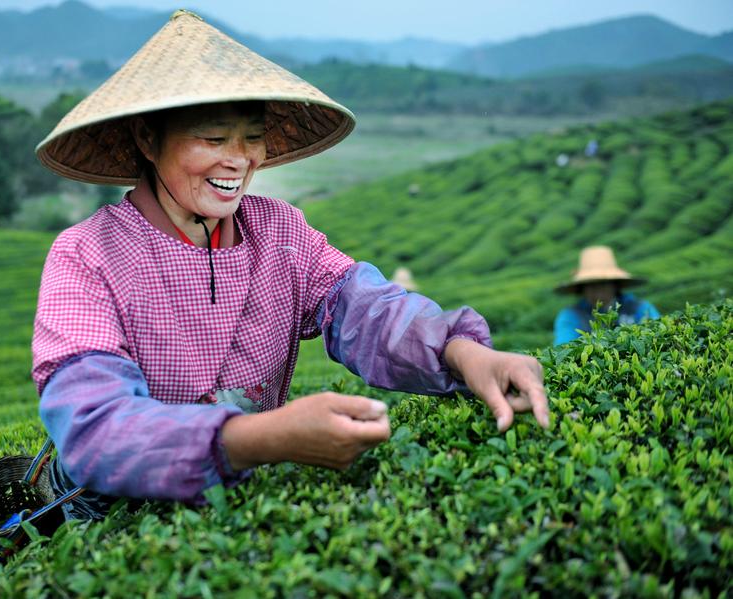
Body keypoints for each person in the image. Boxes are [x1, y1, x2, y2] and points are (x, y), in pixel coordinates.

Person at [33, 10, 550, 520]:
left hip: (239, 506)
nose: (238, 160)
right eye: (213, 138)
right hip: (114, 522)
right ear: (148, 139)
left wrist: (464, 353)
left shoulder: (280, 233)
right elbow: (93, 428)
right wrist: (264, 438)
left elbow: (365, 309)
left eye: (252, 136)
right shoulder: (88, 255)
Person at [553, 246, 660, 345]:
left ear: (614, 285)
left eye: (603, 284)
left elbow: (658, 335)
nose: (597, 291)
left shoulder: (640, 308)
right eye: (591, 285)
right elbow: (564, 348)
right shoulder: (571, 316)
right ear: (582, 288)